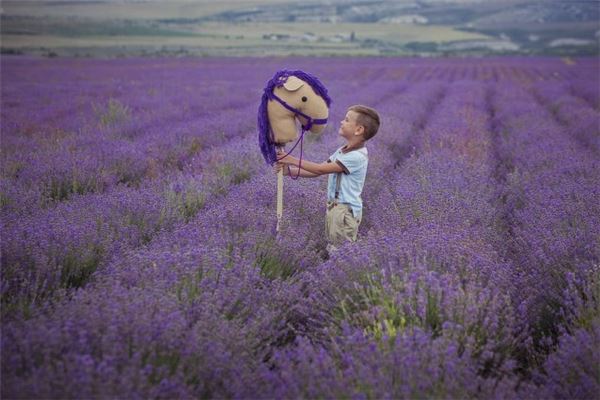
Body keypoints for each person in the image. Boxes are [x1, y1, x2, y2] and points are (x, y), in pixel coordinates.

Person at [275, 104, 380, 251]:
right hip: (334, 208)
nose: (342, 122)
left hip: (345, 211)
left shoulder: (357, 156)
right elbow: (317, 171)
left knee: (341, 251)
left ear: (359, 130)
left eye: (347, 120)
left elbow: (320, 169)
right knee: (333, 246)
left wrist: (291, 159)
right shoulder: (343, 151)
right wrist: (289, 171)